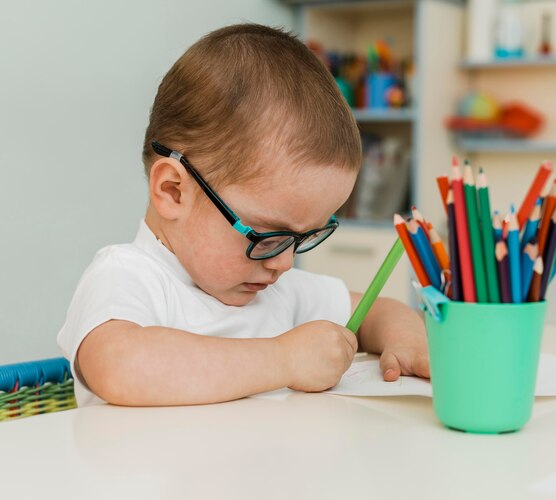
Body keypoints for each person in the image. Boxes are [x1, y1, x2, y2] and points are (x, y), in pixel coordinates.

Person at [57, 23, 429, 407]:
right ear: (173, 191)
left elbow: (379, 311)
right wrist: (284, 359)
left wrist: (408, 342)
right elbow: (119, 367)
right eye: (267, 235)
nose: (285, 262)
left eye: (304, 238)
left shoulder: (279, 293)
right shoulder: (129, 277)